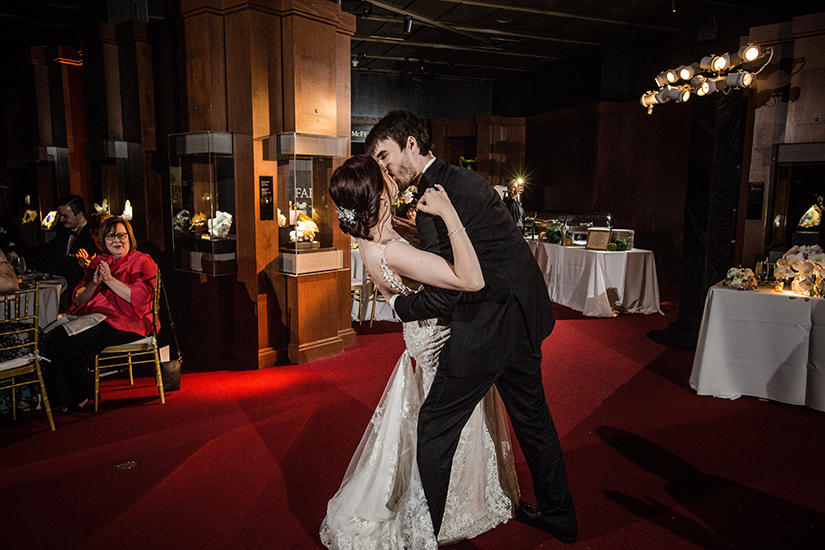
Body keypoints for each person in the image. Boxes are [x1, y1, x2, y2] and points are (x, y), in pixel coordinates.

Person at [366, 110, 577, 545]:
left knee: (435, 426)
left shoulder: (432, 202)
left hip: (486, 327)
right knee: (533, 421)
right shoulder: (465, 181)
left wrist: (401, 306)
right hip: (521, 314)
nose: (384, 168)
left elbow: (448, 292)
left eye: (385, 155)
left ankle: (424, 534)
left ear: (410, 144)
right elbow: (481, 244)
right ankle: (561, 516)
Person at [320, 155, 520, 549]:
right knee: (447, 428)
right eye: (383, 176)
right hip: (439, 348)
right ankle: (452, 503)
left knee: (425, 429)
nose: (390, 175)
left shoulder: (367, 235)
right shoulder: (390, 250)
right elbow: (471, 278)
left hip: (419, 342)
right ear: (377, 198)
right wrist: (449, 215)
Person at [42, 216, 158, 411]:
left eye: (121, 236)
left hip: (129, 322)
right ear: (103, 241)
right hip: (97, 318)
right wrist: (95, 282)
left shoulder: (142, 260)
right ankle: (67, 394)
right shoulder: (100, 260)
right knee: (48, 335)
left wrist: (109, 279)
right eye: (111, 237)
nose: (117, 241)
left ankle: (80, 394)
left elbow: (138, 298)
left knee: (65, 338)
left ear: (130, 237)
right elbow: (78, 299)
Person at [30, 195, 96, 295]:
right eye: (60, 216)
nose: (60, 220)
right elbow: (46, 250)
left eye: (65, 216)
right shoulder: (64, 232)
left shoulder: (93, 236)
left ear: (80, 215)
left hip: (79, 291)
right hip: (60, 288)